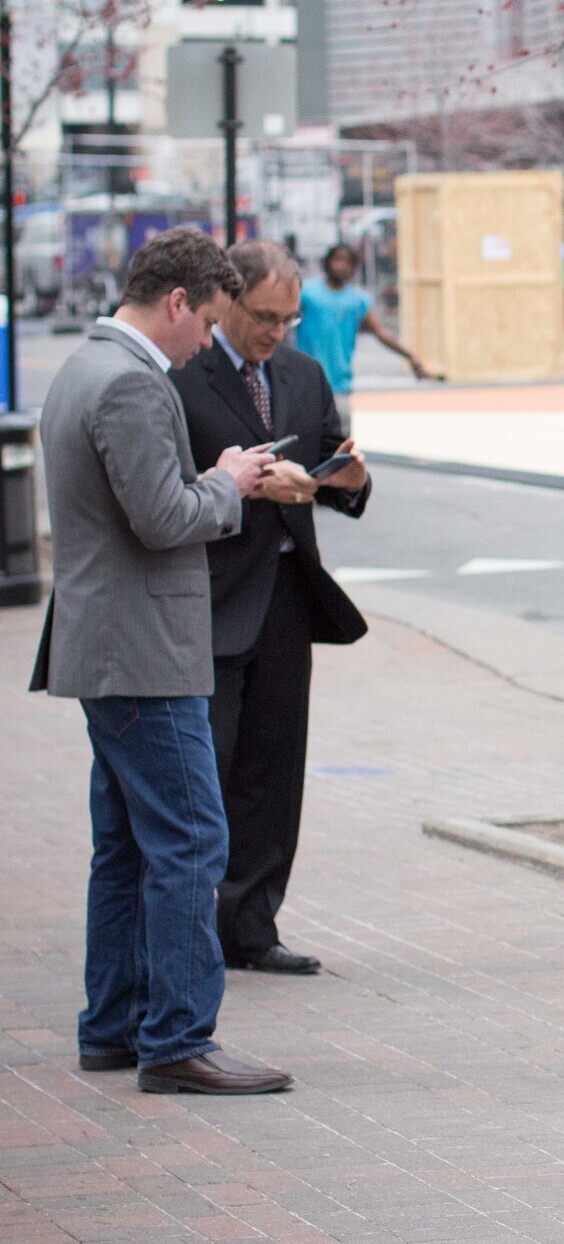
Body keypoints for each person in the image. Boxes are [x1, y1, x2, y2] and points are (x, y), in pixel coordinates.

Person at [30, 226, 293, 1095]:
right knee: (189, 841)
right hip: (146, 653)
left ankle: (113, 1026)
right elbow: (165, 518)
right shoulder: (132, 385)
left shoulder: (83, 367)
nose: (205, 345)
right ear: (177, 302)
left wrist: (208, 475)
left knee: (127, 847)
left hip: (109, 647)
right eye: (208, 322)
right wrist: (230, 482)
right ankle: (178, 1038)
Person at [171, 239, 372, 976]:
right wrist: (246, 485)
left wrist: (345, 477)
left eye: (287, 319)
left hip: (288, 598)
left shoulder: (302, 372)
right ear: (227, 302)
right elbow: (168, 488)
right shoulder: (183, 375)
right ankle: (195, 930)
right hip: (213, 598)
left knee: (274, 769)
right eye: (263, 316)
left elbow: (335, 469)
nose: (274, 333)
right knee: (208, 775)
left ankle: (252, 928)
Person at [295, 242, 425, 429]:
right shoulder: (307, 293)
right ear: (328, 262)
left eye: (348, 262)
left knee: (340, 447)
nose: (342, 266)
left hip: (339, 387)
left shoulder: (357, 300)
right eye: (337, 260)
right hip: (306, 386)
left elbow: (381, 332)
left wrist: (410, 356)